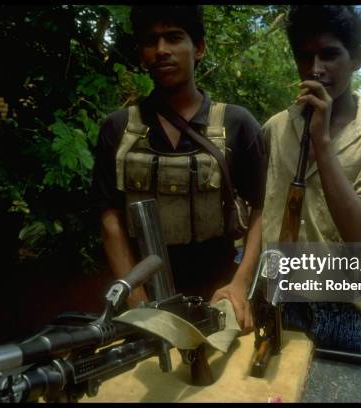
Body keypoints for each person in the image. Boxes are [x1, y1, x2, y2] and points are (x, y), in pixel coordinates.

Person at [91, 6, 266, 331]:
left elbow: (262, 210)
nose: (161, 51)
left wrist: (239, 286)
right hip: (142, 303)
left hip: (220, 300)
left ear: (198, 48)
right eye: (150, 41)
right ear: (141, 54)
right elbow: (110, 218)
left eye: (173, 38)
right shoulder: (118, 129)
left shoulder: (236, 125)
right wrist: (137, 303)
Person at [261, 5, 361, 353]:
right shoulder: (275, 129)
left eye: (330, 54)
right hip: (284, 303)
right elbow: (262, 214)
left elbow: (360, 236)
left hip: (348, 314)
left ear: (356, 58)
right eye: (305, 56)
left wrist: (322, 143)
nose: (315, 69)